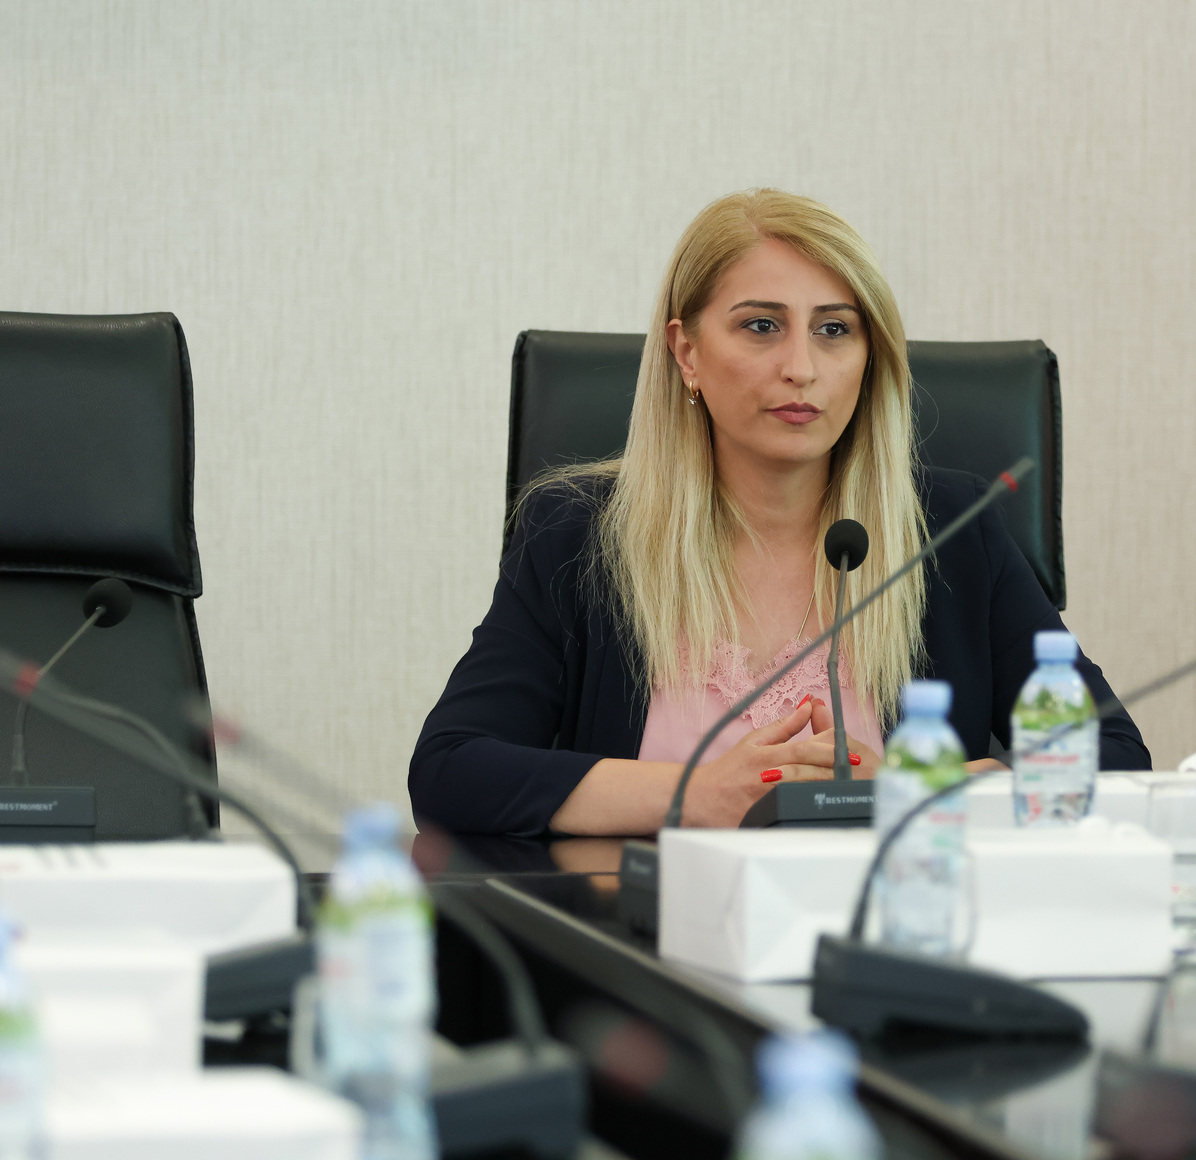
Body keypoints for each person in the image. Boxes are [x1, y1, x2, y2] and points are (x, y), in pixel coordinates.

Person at [410, 189, 1150, 837]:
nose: (801, 367)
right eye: (762, 326)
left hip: (889, 931)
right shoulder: (579, 535)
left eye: (834, 329)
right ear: (686, 352)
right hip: (645, 937)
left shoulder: (950, 531)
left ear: (870, 355)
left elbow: (1113, 756)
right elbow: (451, 769)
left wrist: (915, 789)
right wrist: (693, 795)